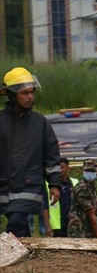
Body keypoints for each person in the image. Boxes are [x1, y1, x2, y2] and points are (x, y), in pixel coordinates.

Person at [1, 67, 62, 236]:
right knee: (18, 222)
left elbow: (52, 155)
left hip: (30, 185)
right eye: (25, 93)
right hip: (4, 187)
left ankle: (8, 255)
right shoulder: (1, 121)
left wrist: (55, 184)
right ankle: (27, 255)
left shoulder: (40, 122)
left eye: (32, 92)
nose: (30, 97)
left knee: (15, 221)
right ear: (12, 95)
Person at [67, 159, 97, 238]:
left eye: (92, 171)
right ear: (83, 170)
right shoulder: (82, 188)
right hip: (80, 233)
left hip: (89, 232)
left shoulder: (92, 188)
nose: (90, 173)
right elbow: (92, 216)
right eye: (88, 170)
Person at [47, 158, 77, 237]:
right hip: (56, 225)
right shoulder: (49, 185)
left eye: (62, 167)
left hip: (72, 222)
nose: (60, 170)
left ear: (68, 168)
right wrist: (47, 225)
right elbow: (44, 206)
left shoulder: (75, 183)